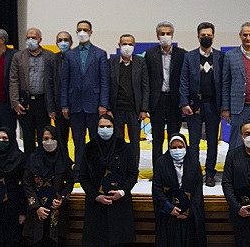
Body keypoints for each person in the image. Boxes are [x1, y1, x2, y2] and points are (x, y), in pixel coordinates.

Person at [78, 114, 138, 246]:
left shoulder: (124, 147)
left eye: (108, 126)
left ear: (114, 128)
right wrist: (96, 196)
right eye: (102, 127)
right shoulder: (90, 148)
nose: (105, 129)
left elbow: (133, 173)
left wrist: (122, 192)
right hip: (96, 206)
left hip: (120, 205)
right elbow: (83, 176)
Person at [61, 20, 109, 171]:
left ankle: (96, 169)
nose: (82, 32)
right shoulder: (69, 55)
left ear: (91, 32)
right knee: (78, 141)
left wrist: (103, 104)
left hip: (94, 105)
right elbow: (65, 81)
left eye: (85, 29)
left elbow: (104, 80)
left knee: (96, 140)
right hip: (75, 105)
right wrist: (64, 104)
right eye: (79, 30)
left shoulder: (100, 54)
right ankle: (79, 170)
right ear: (76, 32)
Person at [179, 22, 223, 186]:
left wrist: (224, 106)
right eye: (203, 35)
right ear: (198, 37)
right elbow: (184, 81)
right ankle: (194, 173)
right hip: (194, 105)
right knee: (194, 143)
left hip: (213, 105)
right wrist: (184, 102)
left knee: (212, 142)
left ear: (213, 36)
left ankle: (210, 173)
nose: (206, 37)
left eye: (209, 35)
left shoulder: (221, 57)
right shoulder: (189, 57)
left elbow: (225, 82)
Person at [23, 125, 75, 247]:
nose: (49, 142)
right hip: (36, 211)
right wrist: (36, 207)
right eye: (46, 139)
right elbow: (27, 183)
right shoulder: (33, 159)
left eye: (52, 138)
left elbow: (70, 181)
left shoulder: (63, 159)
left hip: (57, 210)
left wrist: (62, 198)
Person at [152, 134, 207, 247]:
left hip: (189, 219)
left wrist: (189, 211)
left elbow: (197, 190)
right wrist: (169, 208)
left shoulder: (194, 163)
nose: (177, 150)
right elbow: (157, 188)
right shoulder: (161, 163)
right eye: (174, 148)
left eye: (180, 147)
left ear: (185, 147)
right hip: (168, 218)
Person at [145, 21, 187, 164]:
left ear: (172, 35)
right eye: (162, 34)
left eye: (168, 34)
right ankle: (158, 169)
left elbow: (184, 80)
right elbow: (146, 81)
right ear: (157, 36)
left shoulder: (182, 54)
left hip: (174, 101)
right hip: (157, 100)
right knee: (157, 138)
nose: (165, 36)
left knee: (174, 136)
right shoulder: (150, 54)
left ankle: (173, 166)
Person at [9, 27, 53, 156]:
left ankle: (44, 162)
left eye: (33, 37)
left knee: (44, 134)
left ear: (40, 39)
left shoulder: (49, 56)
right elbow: (13, 79)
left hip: (43, 101)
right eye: (28, 37)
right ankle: (29, 164)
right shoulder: (18, 56)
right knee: (27, 136)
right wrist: (15, 101)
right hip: (25, 101)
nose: (30, 40)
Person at [108, 34, 149, 165]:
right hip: (116, 110)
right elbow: (106, 86)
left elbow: (145, 86)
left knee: (134, 142)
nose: (127, 46)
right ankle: (118, 168)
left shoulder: (140, 62)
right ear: (119, 45)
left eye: (130, 44)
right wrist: (108, 108)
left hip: (134, 110)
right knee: (117, 142)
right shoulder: (111, 62)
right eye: (124, 44)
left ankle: (133, 169)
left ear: (134, 46)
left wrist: (144, 109)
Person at [45, 31, 72, 151]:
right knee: (61, 140)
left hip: (76, 108)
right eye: (60, 40)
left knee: (78, 139)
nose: (63, 43)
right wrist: (51, 108)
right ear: (56, 43)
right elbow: (49, 85)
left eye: (66, 40)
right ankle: (64, 162)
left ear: (71, 42)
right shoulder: (51, 60)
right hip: (58, 108)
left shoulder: (77, 58)